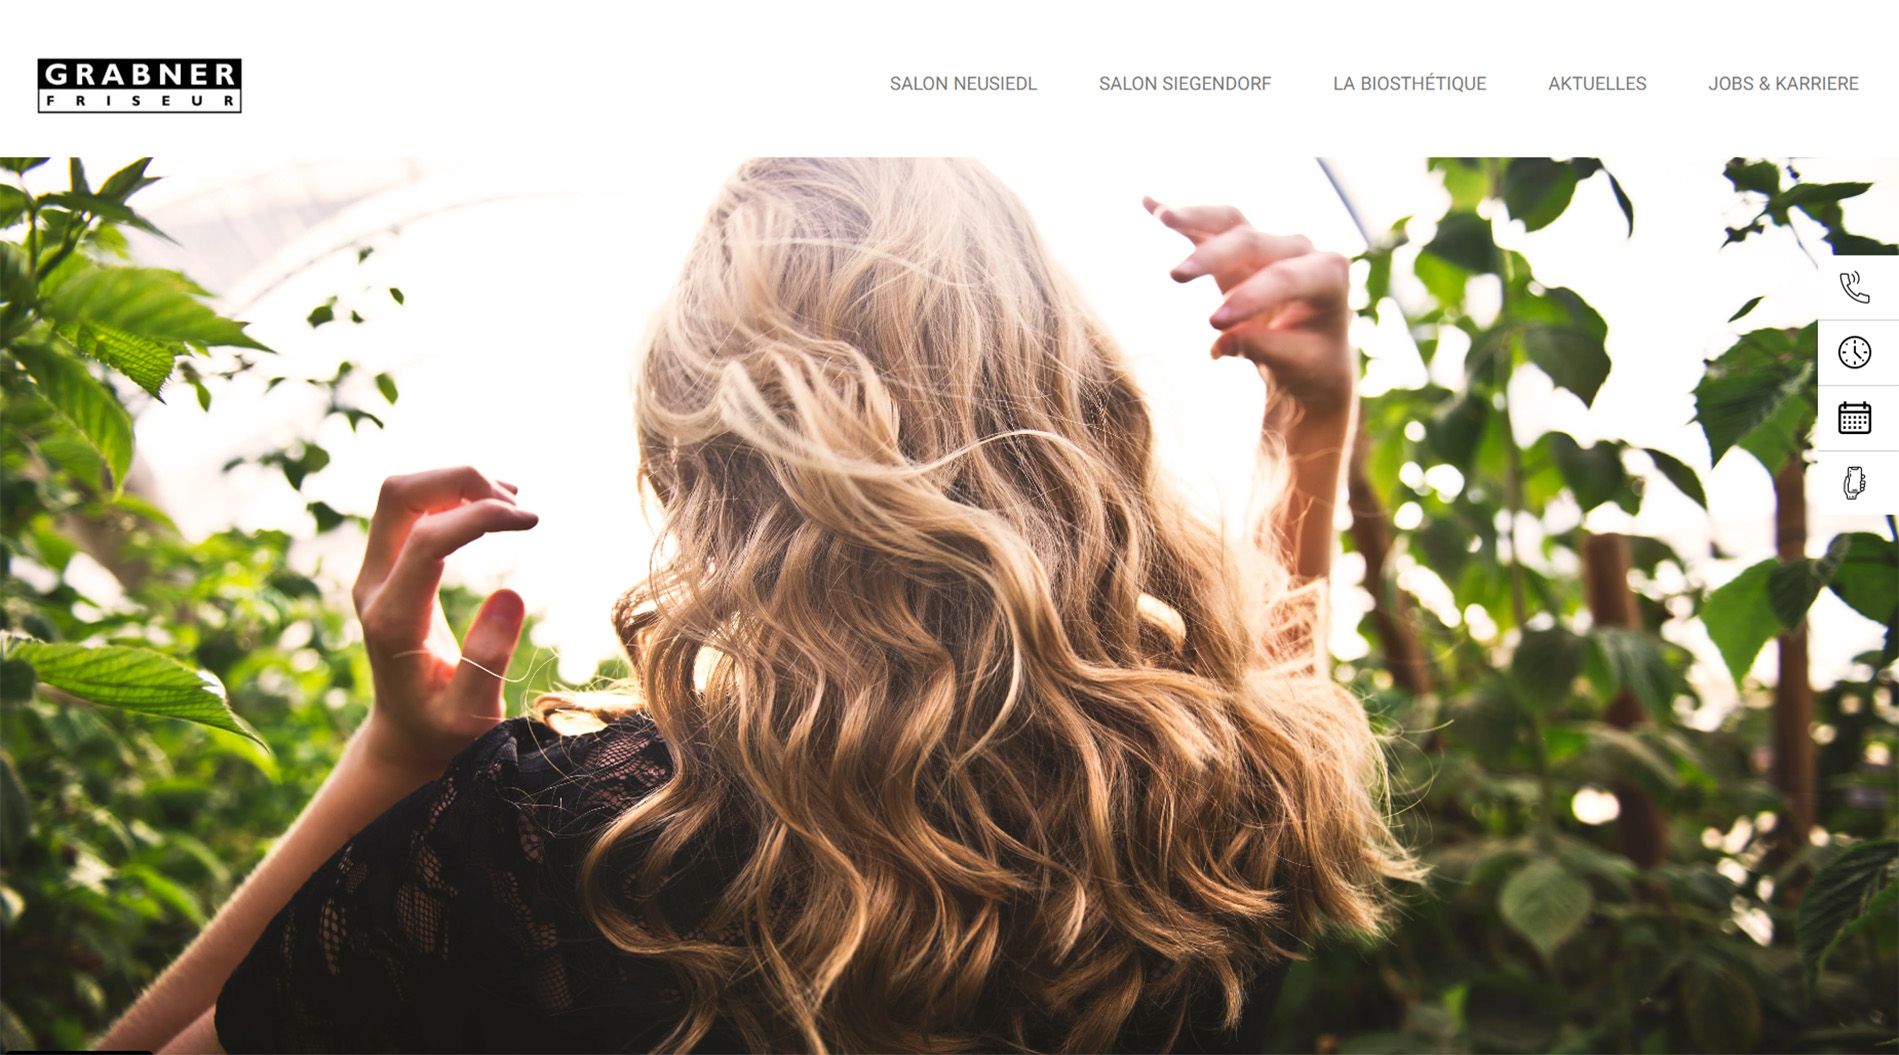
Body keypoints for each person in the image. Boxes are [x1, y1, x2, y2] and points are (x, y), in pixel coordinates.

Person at [100, 158, 1413, 1054]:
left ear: (701, 456)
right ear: (1067, 394)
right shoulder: (1219, 797)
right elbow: (1264, 691)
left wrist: (397, 761)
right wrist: (1309, 422)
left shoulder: (571, 844)